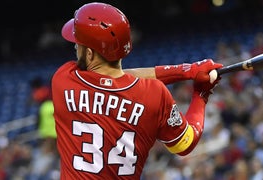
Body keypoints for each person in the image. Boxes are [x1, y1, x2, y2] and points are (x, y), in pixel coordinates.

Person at [51, 2, 223, 179]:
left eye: (78, 44)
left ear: (89, 54)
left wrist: (186, 71)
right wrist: (201, 94)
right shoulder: (155, 94)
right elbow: (185, 144)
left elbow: (115, 77)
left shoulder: (64, 79)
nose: (75, 47)